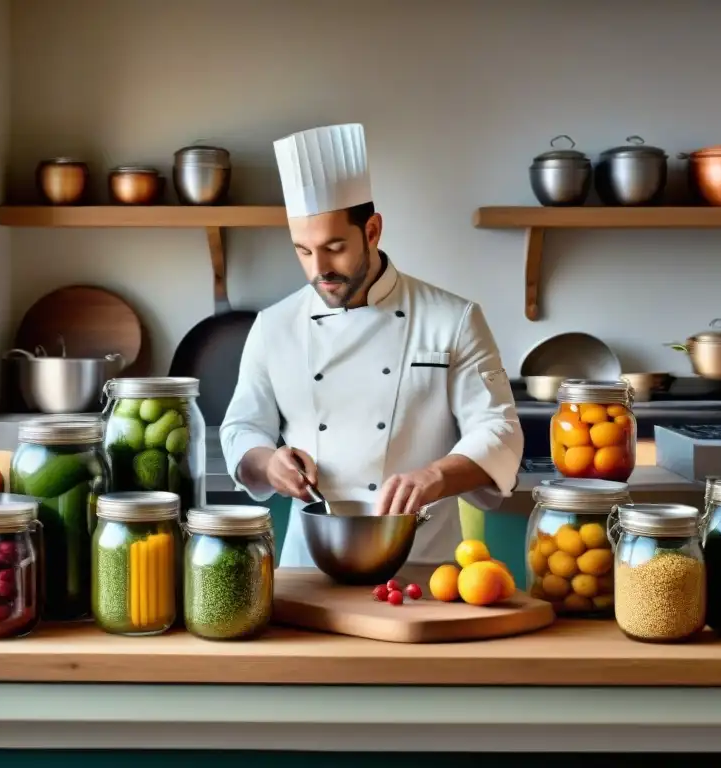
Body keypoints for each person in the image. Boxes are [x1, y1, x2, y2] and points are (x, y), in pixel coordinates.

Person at [219, 123, 523, 568]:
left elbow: (500, 432)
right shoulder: (274, 326)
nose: (318, 269)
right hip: (309, 567)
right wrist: (269, 465)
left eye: (334, 247)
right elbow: (240, 430)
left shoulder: (452, 319)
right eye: (302, 251)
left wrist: (436, 476)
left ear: (373, 230)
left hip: (424, 566)